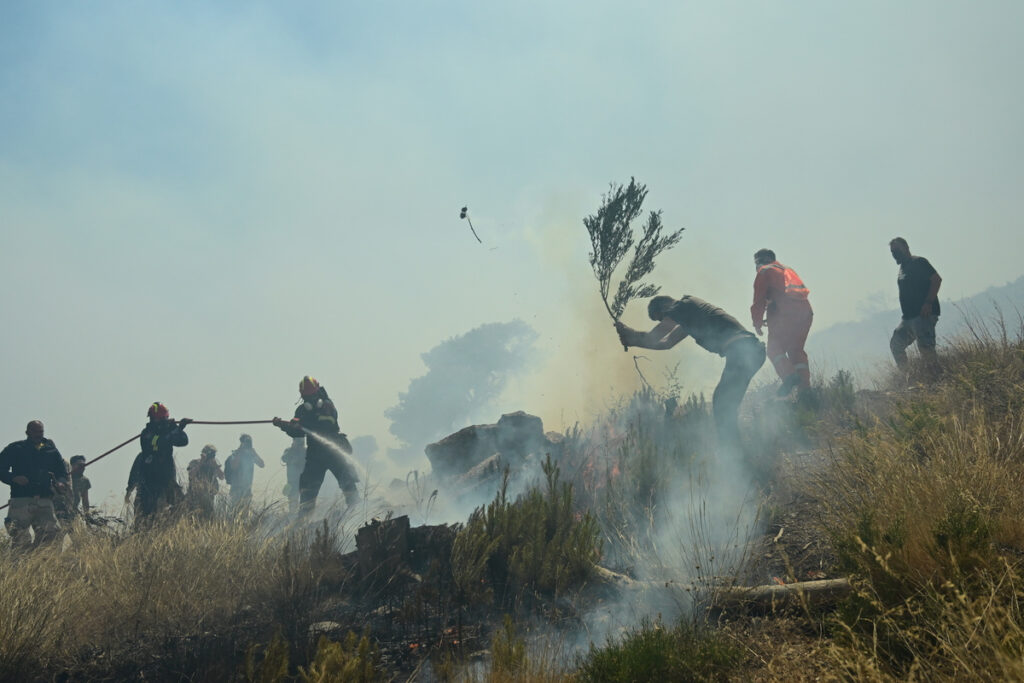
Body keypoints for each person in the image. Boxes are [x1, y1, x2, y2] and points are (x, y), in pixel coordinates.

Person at [615, 296, 766, 443]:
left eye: (661, 318)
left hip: (742, 351)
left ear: (665, 307)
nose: (664, 322)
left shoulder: (682, 306)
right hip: (750, 351)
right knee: (725, 403)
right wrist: (634, 342)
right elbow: (666, 343)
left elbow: (655, 336)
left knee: (722, 403)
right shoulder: (688, 316)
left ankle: (732, 451)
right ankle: (737, 451)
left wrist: (630, 333)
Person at [273, 376, 358, 516]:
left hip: (333, 451)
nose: (309, 400)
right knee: (307, 489)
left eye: (311, 395)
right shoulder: (301, 410)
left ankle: (357, 511)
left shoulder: (327, 405)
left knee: (347, 481)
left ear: (317, 392)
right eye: (306, 397)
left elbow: (325, 425)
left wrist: (302, 425)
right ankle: (304, 519)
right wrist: (284, 426)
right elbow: (298, 434)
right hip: (315, 455)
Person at [750, 249, 814, 396]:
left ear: (759, 261)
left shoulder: (764, 272)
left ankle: (789, 377)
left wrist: (757, 323)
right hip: (805, 314)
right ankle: (805, 391)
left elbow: (759, 301)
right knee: (796, 351)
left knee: (774, 350)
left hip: (785, 316)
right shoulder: (787, 270)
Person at [0, 420, 69, 548]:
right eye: (35, 431)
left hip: (44, 500)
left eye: (41, 431)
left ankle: (42, 565)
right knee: (20, 538)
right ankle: (21, 566)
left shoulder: (51, 450)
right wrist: (13, 478)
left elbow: (61, 472)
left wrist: (61, 482)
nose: (38, 434)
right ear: (27, 432)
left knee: (50, 537)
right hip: (21, 499)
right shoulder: (15, 449)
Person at [125, 403, 191, 523]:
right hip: (149, 484)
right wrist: (176, 429)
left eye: (165, 418)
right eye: (161, 419)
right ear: (154, 419)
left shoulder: (168, 430)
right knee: (145, 518)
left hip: (167, 481)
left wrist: (177, 428)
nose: (164, 421)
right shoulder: (147, 434)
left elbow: (183, 441)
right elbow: (160, 443)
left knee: (180, 507)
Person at [889, 237, 942, 373]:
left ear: (906, 248)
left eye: (897, 250)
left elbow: (936, 280)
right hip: (907, 318)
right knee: (896, 344)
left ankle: (936, 381)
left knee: (926, 350)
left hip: (923, 315)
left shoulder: (918, 262)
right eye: (892, 252)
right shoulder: (902, 268)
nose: (895, 254)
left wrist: (928, 303)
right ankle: (908, 378)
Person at [223, 434, 264, 505]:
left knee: (245, 514)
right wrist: (240, 452)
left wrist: (254, 453)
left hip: (247, 490)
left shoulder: (251, 455)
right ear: (241, 443)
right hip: (236, 489)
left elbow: (262, 465)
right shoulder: (235, 454)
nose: (247, 444)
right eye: (246, 442)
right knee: (234, 513)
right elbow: (234, 466)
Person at [187, 444, 224, 517]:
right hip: (195, 497)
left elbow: (222, 477)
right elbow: (191, 475)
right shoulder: (195, 462)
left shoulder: (213, 464)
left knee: (208, 518)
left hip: (209, 497)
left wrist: (216, 466)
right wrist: (201, 462)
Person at [280, 437, 307, 513]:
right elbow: (284, 459)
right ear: (293, 441)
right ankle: (292, 519)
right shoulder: (289, 451)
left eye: (302, 441)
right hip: (292, 483)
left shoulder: (306, 451)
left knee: (305, 504)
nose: (300, 443)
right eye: (298, 441)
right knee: (292, 505)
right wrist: (293, 449)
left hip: (304, 482)